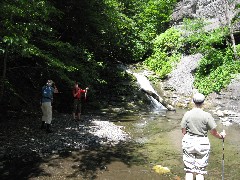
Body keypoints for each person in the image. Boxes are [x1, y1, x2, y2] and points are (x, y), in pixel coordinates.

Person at [181, 93, 226, 180]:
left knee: (189, 171)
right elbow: (213, 132)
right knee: (200, 172)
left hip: (188, 142)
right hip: (202, 144)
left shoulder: (187, 114)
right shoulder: (207, 115)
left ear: (193, 102)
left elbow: (183, 131)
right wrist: (221, 136)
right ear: (203, 103)